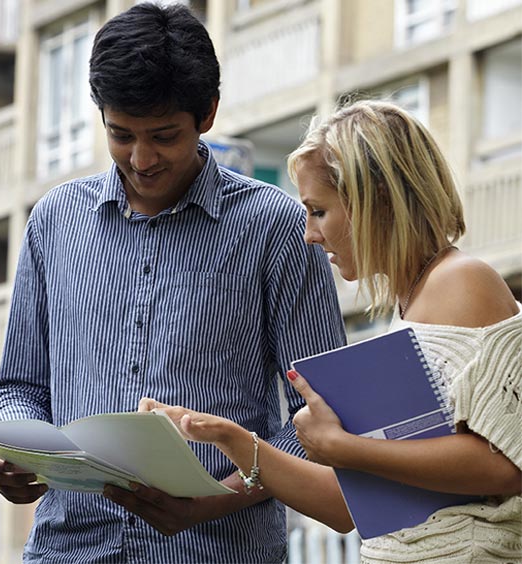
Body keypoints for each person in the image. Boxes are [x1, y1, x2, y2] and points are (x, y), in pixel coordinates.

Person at [0, 3, 346, 562]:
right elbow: (19, 388)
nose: (142, 158)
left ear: (207, 113)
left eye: (163, 135)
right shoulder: (53, 221)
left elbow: (320, 415)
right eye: (121, 135)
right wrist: (20, 452)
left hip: (220, 550)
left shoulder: (275, 226)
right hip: (67, 547)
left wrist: (218, 499)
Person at [145, 99, 522, 563]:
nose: (309, 234)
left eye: (318, 211)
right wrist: (229, 438)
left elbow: (503, 465)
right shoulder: (408, 306)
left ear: (374, 201)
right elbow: (346, 508)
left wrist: (344, 447)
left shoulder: (462, 282)